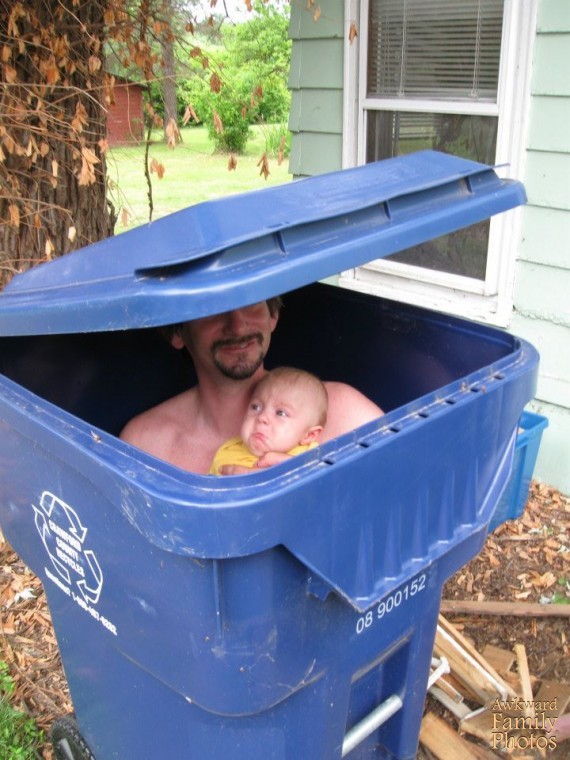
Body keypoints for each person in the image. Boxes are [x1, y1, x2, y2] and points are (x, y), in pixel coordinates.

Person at [120, 299, 383, 474]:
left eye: (250, 301)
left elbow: (413, 509)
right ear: (177, 332)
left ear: (273, 315)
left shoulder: (345, 417)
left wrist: (317, 491)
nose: (237, 325)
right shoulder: (145, 447)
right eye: (212, 305)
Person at [210, 367, 328, 475]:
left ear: (309, 435)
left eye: (280, 413)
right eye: (256, 407)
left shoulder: (309, 460)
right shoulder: (228, 450)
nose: (262, 417)